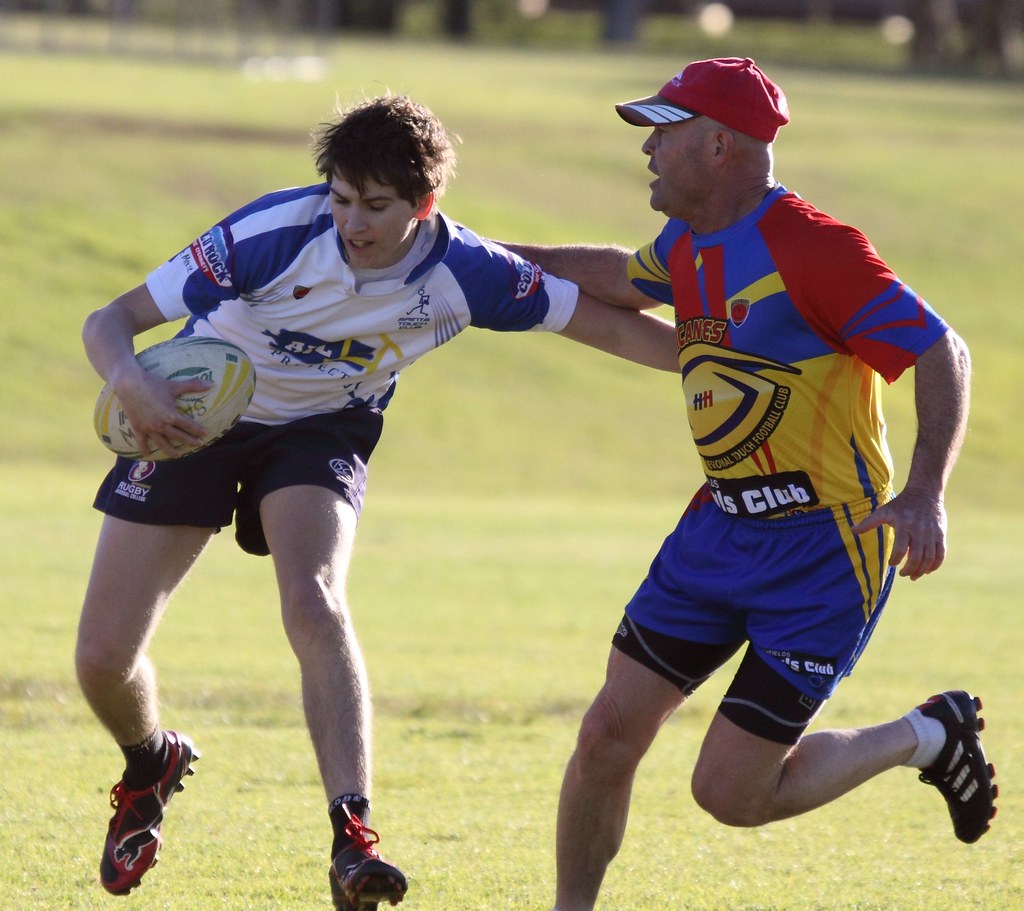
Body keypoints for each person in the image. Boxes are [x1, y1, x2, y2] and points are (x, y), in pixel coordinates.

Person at [76, 94, 679, 910]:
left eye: (377, 205)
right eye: (342, 198)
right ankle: (151, 760)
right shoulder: (271, 234)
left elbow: (609, 328)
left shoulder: (468, 272)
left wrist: (740, 359)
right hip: (199, 410)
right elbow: (108, 318)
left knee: (316, 601)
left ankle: (352, 836)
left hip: (323, 429)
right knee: (102, 660)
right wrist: (131, 377)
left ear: (425, 205)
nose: (352, 221)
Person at [501, 57, 995, 911]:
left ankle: (924, 734)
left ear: (719, 144)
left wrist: (924, 492)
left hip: (827, 548)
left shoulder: (815, 247)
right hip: (718, 529)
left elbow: (939, 348)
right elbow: (621, 276)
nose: (649, 150)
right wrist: (476, 257)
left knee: (728, 793)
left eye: (665, 132)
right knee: (606, 735)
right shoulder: (688, 241)